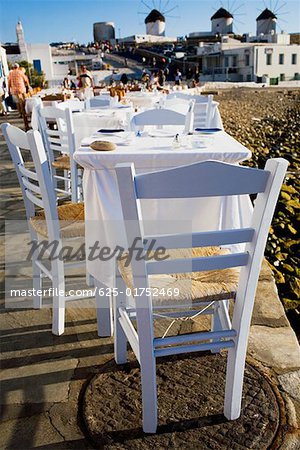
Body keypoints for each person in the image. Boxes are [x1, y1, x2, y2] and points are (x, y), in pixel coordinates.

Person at [8, 63, 31, 128]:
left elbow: (9, 82)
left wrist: (8, 89)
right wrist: (28, 85)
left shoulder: (10, 73)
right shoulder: (20, 72)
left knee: (18, 102)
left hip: (14, 90)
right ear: (18, 67)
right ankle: (24, 112)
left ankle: (21, 113)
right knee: (24, 101)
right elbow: (26, 79)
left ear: (13, 67)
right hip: (21, 88)